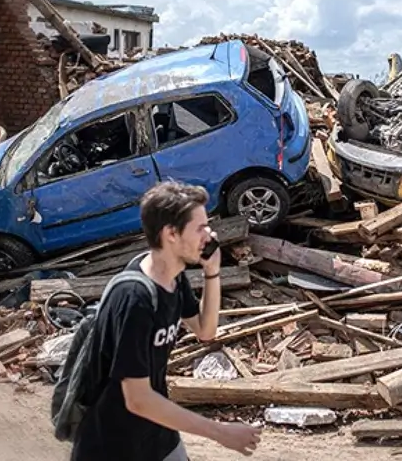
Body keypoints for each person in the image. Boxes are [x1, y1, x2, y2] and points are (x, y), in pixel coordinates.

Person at [70, 181, 262, 461]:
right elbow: (137, 399)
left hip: (159, 435)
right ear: (171, 234)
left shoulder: (174, 278)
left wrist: (212, 272)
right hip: (111, 446)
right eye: (200, 228)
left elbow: (206, 332)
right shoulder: (135, 300)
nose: (209, 235)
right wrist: (220, 432)